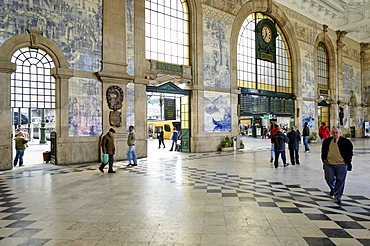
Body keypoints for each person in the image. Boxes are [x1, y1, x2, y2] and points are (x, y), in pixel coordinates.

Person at [321, 127, 353, 204]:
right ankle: (334, 189)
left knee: (340, 181)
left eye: (336, 132)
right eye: (333, 132)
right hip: (329, 164)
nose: (335, 134)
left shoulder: (346, 142)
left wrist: (347, 161)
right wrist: (324, 160)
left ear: (340, 133)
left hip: (341, 164)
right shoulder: (327, 141)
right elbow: (323, 151)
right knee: (329, 179)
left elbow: (350, 153)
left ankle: (338, 196)